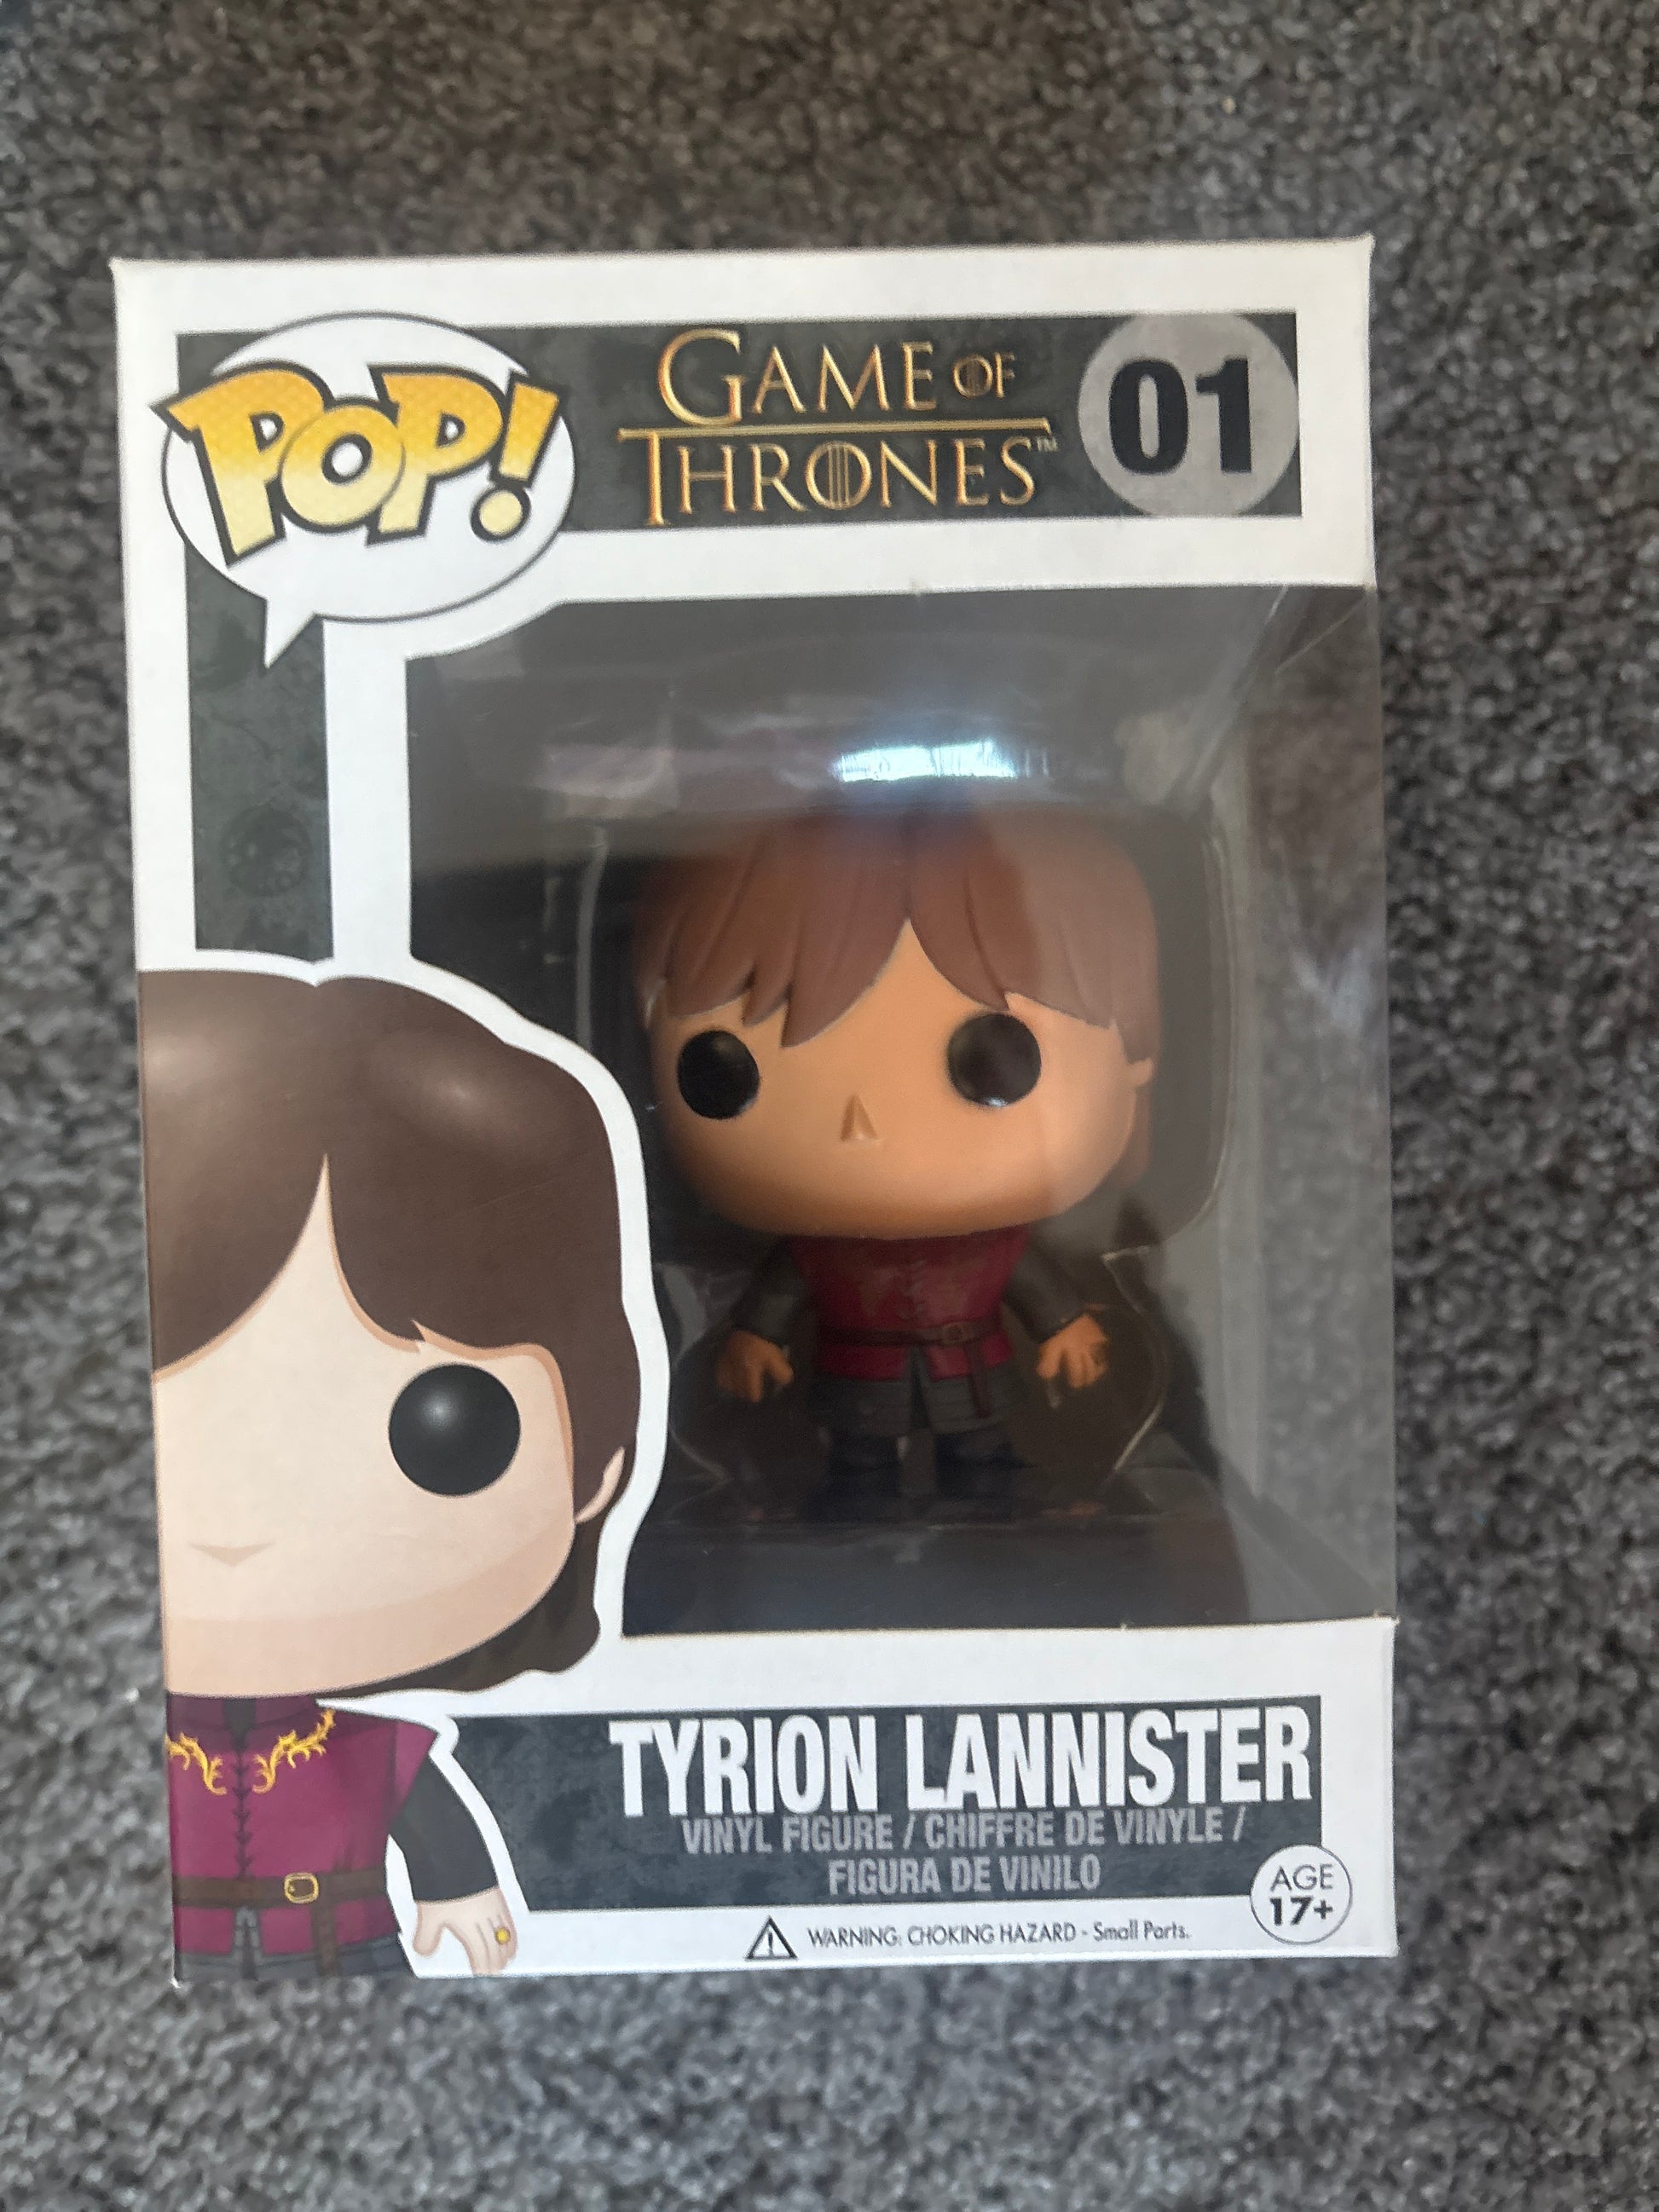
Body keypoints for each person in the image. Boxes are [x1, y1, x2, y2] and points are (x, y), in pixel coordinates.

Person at [140, 969, 639, 1980]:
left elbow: (423, 1808)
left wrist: (458, 1887)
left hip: (345, 1947)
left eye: (443, 1432)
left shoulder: (369, 1752)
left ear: (594, 1469)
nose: (244, 1531)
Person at [633, 806, 1159, 1517]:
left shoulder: (992, 1244)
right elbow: (779, 1293)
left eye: (993, 1063)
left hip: (970, 1371)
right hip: (860, 1374)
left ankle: (985, 1498)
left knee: (980, 1451)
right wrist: (755, 1337)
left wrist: (1066, 1323)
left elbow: (1034, 1282)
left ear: (1136, 1065)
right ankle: (861, 1501)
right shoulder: (819, 1252)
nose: (862, 1125)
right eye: (724, 1072)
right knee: (860, 1459)